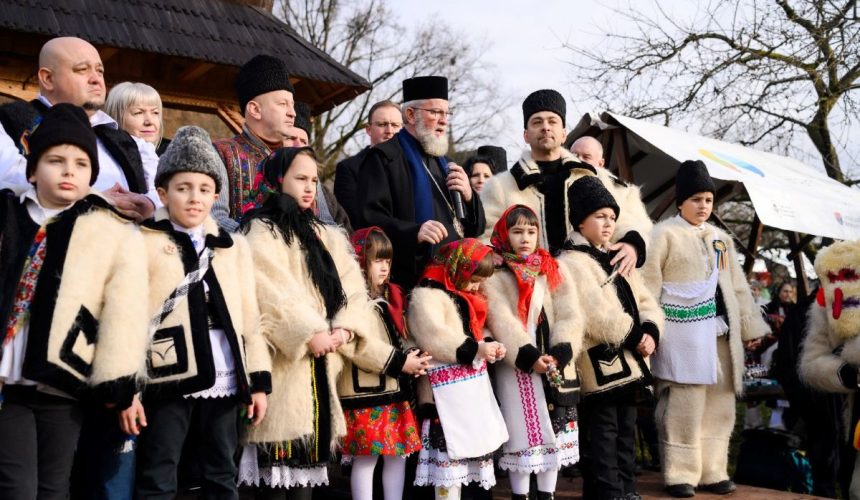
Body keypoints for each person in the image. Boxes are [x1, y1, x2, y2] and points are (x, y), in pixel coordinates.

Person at [0, 103, 148, 499]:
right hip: (7, 382)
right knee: (17, 487)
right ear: (33, 170)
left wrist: (123, 387)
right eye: (55, 161)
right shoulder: (9, 216)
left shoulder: (108, 232)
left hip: (64, 382)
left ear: (92, 177)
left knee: (54, 486)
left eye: (81, 164)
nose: (69, 171)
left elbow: (123, 314)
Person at [126, 126, 272, 499]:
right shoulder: (142, 241)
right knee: (159, 472)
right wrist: (127, 387)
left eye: (205, 190)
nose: (195, 198)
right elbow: (127, 320)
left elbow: (249, 318)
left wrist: (257, 382)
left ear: (216, 196)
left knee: (221, 472)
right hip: (165, 373)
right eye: (184, 188)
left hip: (225, 370)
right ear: (162, 192)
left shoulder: (231, 246)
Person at [237, 147, 373, 498]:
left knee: (306, 483)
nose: (310, 187)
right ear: (278, 179)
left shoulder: (326, 234)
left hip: (322, 368)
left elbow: (353, 287)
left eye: (313, 179)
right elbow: (268, 288)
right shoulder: (259, 230)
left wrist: (345, 327)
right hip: (284, 367)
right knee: (276, 481)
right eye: (300, 178)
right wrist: (310, 331)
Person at [640, 160, 768, 498]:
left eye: (708, 200)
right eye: (696, 199)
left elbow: (737, 286)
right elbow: (647, 285)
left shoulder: (721, 239)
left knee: (720, 404)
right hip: (680, 336)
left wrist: (749, 327)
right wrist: (648, 327)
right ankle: (680, 473)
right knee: (684, 402)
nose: (703, 206)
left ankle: (713, 471)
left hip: (720, 335)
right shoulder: (663, 234)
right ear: (680, 201)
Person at [558, 175, 664, 500]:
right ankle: (607, 491)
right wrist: (636, 336)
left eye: (612, 217)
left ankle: (626, 488)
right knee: (603, 431)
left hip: (630, 360)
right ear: (580, 220)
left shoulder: (615, 256)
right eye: (600, 216)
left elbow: (645, 300)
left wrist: (651, 330)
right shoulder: (571, 262)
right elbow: (596, 313)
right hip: (598, 363)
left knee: (625, 429)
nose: (608, 224)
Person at [479, 90, 651, 265]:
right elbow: (485, 234)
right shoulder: (501, 186)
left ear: (563, 134)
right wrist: (488, 252)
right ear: (526, 135)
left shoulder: (594, 177)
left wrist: (631, 243)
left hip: (588, 277)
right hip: (525, 278)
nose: (545, 127)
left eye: (552, 121)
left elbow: (623, 220)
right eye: (537, 122)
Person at [0, 36, 159, 222]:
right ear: (48, 78)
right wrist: (93, 199)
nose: (96, 79)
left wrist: (149, 203)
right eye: (82, 69)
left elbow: (168, 189)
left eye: (100, 71)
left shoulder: (131, 143)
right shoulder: (8, 122)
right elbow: (10, 175)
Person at [483, 205, 579, 500]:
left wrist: (561, 350)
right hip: (517, 365)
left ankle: (547, 494)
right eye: (517, 232)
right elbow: (499, 319)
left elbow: (570, 312)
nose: (525, 238)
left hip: (554, 363)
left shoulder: (552, 268)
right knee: (522, 435)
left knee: (555, 434)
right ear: (504, 234)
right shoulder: (495, 275)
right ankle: (520, 495)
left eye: (531, 231)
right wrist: (527, 356)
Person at [358, 76, 486, 290]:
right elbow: (368, 219)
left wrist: (469, 196)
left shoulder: (447, 164)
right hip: (409, 282)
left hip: (453, 281)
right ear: (410, 114)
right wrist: (413, 233)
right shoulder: (383, 158)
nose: (443, 120)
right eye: (435, 112)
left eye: (446, 113)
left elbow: (475, 228)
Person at [408, 238, 509, 500]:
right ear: (459, 268)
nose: (476, 287)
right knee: (450, 460)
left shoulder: (468, 295)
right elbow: (435, 336)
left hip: (471, 391)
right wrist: (476, 349)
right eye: (474, 280)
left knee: (475, 453)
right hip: (444, 393)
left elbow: (476, 331)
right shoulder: (428, 294)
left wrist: (490, 345)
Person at [339, 226, 431, 500]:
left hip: (393, 390)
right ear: (360, 260)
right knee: (367, 457)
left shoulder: (392, 295)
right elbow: (358, 345)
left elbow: (399, 334)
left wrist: (413, 354)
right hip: (366, 391)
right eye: (376, 260)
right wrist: (400, 362)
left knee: (397, 454)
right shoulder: (352, 299)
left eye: (387, 261)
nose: (384, 267)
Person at [799, 239, 860, 499]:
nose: (841, 281)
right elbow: (811, 363)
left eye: (848, 274)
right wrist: (843, 373)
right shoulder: (827, 302)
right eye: (834, 276)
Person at [212, 54, 296, 231]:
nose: (292, 113)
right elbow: (215, 218)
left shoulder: (301, 160)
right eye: (283, 104)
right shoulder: (220, 152)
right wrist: (261, 239)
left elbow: (326, 221)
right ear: (255, 110)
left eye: (292, 105)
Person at [285, 101, 353, 232]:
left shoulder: (325, 194)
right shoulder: (267, 185)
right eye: (291, 138)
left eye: (303, 141)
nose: (298, 145)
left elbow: (346, 231)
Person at [334, 100, 402, 226]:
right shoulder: (348, 168)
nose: (389, 130)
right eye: (382, 124)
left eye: (395, 125)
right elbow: (351, 217)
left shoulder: (413, 165)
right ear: (369, 129)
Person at [104, 81, 169, 155]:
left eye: (155, 112)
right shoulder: (101, 156)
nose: (150, 121)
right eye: (138, 112)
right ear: (116, 116)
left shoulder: (171, 155)